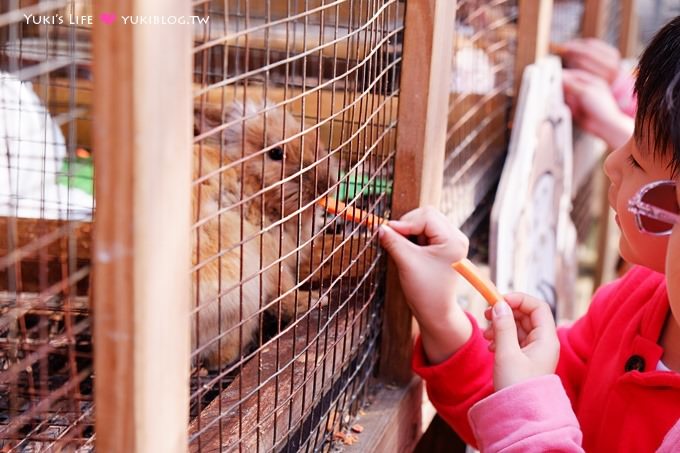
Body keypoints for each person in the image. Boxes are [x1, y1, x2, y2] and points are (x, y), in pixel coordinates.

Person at [378, 16, 680, 452]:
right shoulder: (633, 301)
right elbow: (525, 420)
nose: (612, 162)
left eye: (637, 161)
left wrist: (525, 394)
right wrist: (442, 318)